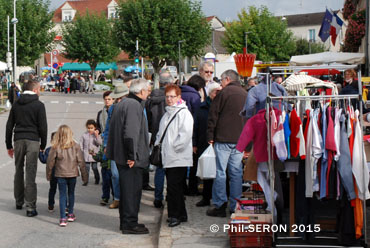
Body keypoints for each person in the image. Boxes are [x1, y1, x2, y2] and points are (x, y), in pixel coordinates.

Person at [106, 78, 151, 234]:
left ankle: (126, 222)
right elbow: (130, 134)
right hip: (129, 157)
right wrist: (132, 156)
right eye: (148, 90)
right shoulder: (133, 105)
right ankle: (130, 224)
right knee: (132, 192)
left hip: (121, 155)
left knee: (126, 192)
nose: (149, 93)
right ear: (142, 91)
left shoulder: (123, 103)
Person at [207, 70, 247, 217]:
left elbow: (213, 114)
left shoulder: (223, 94)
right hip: (240, 139)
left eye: (222, 80)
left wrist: (210, 135)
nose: (221, 83)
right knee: (236, 173)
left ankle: (219, 205)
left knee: (220, 172)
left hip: (223, 138)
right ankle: (235, 205)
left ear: (228, 79)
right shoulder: (245, 93)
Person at [5, 80, 48, 217]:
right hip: (33, 141)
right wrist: (43, 145)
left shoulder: (17, 104)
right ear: (35, 90)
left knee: (18, 170)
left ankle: (18, 201)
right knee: (30, 173)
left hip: (18, 140)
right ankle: (30, 207)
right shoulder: (39, 105)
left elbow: (9, 125)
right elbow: (43, 127)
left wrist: (8, 145)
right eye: (39, 89)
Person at [155, 84, 193, 227]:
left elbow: (185, 135)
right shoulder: (167, 113)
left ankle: (174, 215)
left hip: (178, 157)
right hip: (168, 156)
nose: (169, 99)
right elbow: (160, 133)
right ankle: (181, 214)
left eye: (172, 96)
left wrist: (174, 149)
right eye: (167, 96)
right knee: (175, 187)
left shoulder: (183, 113)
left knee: (173, 188)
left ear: (178, 97)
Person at [46, 125, 88, 227]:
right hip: (73, 173)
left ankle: (62, 218)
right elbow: (81, 162)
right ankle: (70, 213)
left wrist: (49, 174)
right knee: (71, 193)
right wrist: (84, 176)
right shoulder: (76, 146)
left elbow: (50, 162)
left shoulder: (55, 147)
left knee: (62, 195)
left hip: (60, 174)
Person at [145, 72, 174, 208]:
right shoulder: (170, 98)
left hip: (156, 135)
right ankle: (169, 195)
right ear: (168, 83)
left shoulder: (151, 98)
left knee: (159, 169)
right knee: (171, 169)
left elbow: (148, 118)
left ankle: (158, 197)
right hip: (170, 136)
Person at [194, 83, 222, 207]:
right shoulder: (202, 107)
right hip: (204, 142)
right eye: (216, 91)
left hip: (220, 141)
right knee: (207, 171)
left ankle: (220, 198)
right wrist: (194, 143)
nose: (218, 94)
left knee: (220, 172)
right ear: (210, 93)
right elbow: (195, 126)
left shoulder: (223, 106)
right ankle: (206, 197)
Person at [103, 84, 130, 209]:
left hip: (128, 145)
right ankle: (117, 198)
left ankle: (127, 199)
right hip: (114, 145)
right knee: (115, 174)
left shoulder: (133, 106)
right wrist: (105, 144)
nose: (118, 101)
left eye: (120, 98)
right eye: (117, 99)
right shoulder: (112, 109)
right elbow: (108, 128)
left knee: (127, 175)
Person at [79, 119, 102, 185]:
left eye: (91, 128)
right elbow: (81, 143)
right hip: (86, 155)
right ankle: (85, 181)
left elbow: (99, 143)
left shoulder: (96, 135)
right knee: (87, 168)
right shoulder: (84, 135)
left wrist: (97, 136)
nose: (90, 130)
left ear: (95, 127)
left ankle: (97, 178)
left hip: (94, 155)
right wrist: (82, 151)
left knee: (94, 168)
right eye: (88, 128)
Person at [39, 132, 57, 212]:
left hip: (52, 173)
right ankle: (66, 206)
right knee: (63, 190)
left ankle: (51, 205)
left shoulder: (49, 150)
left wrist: (40, 152)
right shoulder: (64, 149)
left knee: (52, 189)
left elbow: (43, 160)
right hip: (63, 173)